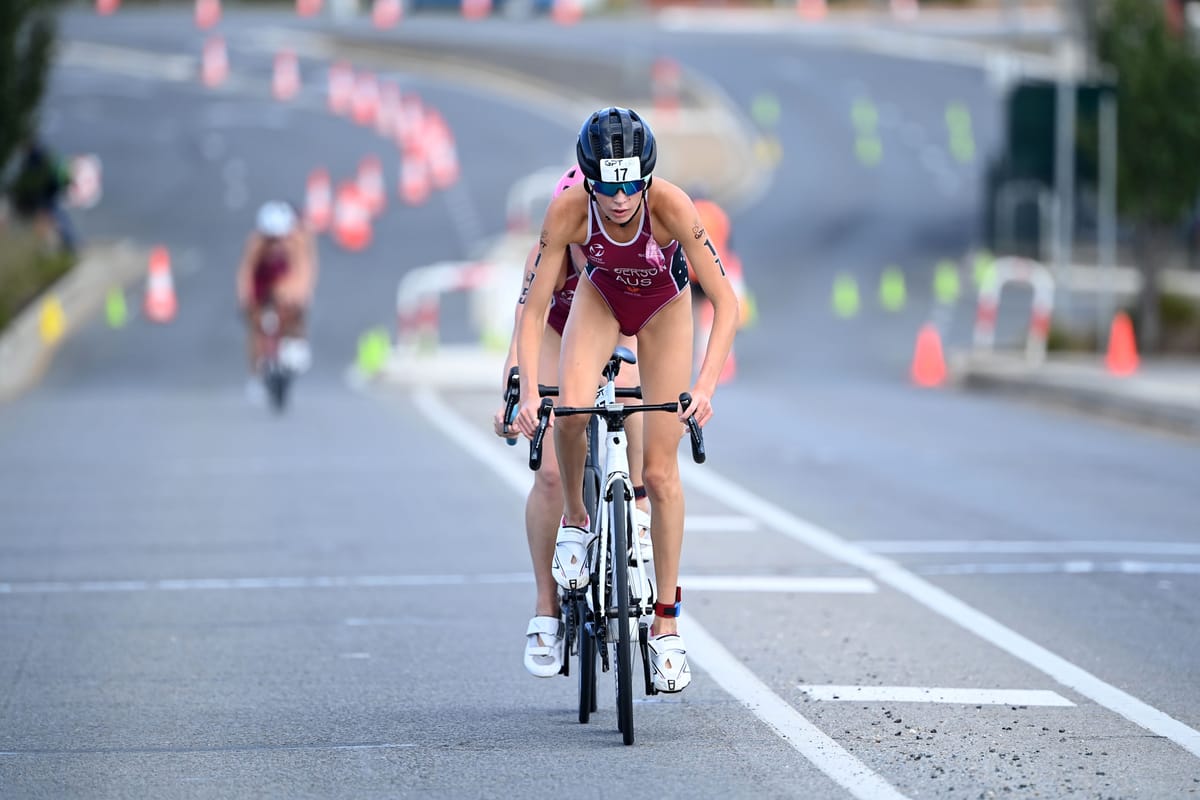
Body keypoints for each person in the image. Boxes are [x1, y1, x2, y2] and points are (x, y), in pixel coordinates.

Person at [513, 107, 739, 693]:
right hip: (600, 302)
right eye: (607, 187)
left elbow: (726, 303)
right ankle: (576, 521)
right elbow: (534, 307)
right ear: (588, 181)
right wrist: (531, 392)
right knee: (575, 411)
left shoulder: (671, 206)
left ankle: (665, 627)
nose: (619, 199)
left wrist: (706, 387)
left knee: (661, 476)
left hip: (664, 312)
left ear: (646, 176)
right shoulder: (567, 209)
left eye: (630, 184)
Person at [493, 166, 652, 678]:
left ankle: (638, 503)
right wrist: (515, 395)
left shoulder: (629, 245)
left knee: (635, 403)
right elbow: (527, 328)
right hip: (561, 333)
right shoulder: (550, 254)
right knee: (551, 475)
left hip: (624, 330)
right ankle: (547, 606)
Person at [235, 202, 317, 400]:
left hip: (286, 283)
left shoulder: (297, 241)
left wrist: (299, 294)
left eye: (280, 238)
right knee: (255, 327)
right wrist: (245, 297)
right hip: (262, 283)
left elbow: (304, 270)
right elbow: (246, 270)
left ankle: (296, 345)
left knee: (295, 314)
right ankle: (257, 373)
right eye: (271, 239)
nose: (276, 243)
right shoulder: (256, 242)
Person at [7, 139, 78, 254]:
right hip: (50, 190)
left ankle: (66, 244)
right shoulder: (46, 154)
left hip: (42, 192)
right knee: (56, 215)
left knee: (45, 216)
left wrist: (17, 190)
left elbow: (28, 178)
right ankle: (69, 242)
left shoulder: (34, 157)